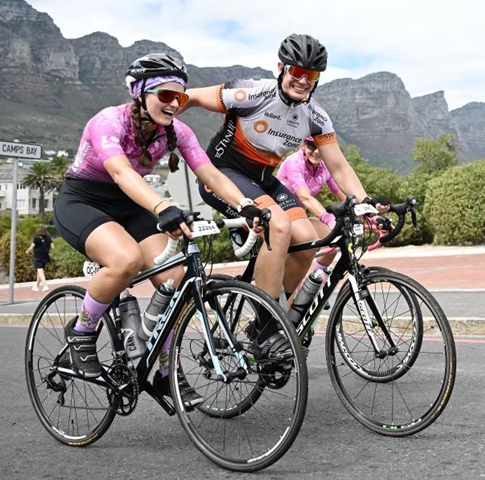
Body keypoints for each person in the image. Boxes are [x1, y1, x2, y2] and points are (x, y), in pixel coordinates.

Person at [53, 53, 265, 409]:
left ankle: (165, 371)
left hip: (132, 203)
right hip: (83, 201)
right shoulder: (108, 121)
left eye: (179, 98)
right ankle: (82, 333)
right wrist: (162, 206)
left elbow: (210, 175)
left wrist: (245, 205)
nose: (173, 104)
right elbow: (121, 172)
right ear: (139, 93)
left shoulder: (177, 131)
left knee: (177, 278)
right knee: (126, 260)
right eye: (164, 95)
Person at [182, 33, 387, 355]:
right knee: (278, 225)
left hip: (264, 179)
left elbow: (339, 167)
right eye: (297, 72)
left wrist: (365, 202)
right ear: (282, 67)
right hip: (223, 176)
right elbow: (188, 97)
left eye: (312, 76)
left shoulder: (315, 117)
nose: (303, 81)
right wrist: (159, 127)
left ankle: (279, 317)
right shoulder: (250, 93)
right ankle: (266, 331)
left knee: (305, 239)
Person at [276, 136, 347, 275]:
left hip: (299, 217)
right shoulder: (294, 163)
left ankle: (313, 285)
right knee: (303, 256)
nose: (316, 151)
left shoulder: (324, 166)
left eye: (320, 147)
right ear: (303, 145)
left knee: (333, 242)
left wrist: (367, 215)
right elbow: (305, 197)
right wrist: (328, 218)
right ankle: (290, 291)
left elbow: (341, 193)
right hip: (280, 217)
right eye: (311, 146)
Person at [26, 226, 54, 292]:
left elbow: (32, 247)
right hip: (45, 258)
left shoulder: (36, 239)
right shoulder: (49, 238)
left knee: (40, 272)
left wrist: (27, 251)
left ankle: (45, 285)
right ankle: (36, 286)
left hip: (38, 257)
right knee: (39, 272)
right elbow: (53, 247)